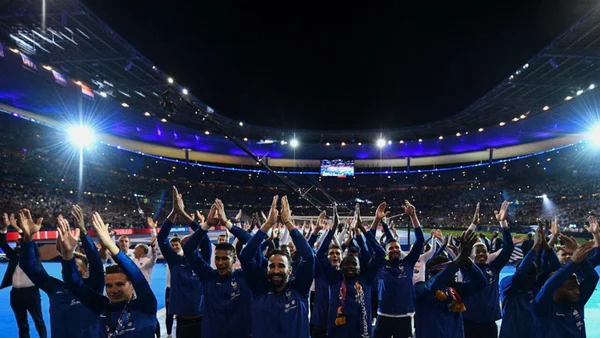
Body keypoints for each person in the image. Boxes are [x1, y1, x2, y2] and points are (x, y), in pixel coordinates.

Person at [59, 211, 157, 337]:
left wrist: (110, 244)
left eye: (120, 284)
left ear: (132, 285)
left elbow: (137, 276)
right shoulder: (101, 307)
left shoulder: (145, 305)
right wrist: (67, 255)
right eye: (109, 286)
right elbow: (75, 285)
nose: (114, 290)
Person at [18, 208, 102, 337]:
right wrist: (28, 238)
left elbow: (96, 262)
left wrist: (83, 232)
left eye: (74, 265)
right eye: (66, 266)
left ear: (86, 270)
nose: (68, 268)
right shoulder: (55, 287)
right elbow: (28, 266)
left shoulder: (93, 287)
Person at [239, 195, 315, 338]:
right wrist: (267, 224)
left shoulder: (300, 289)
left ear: (290, 269)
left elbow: (309, 257)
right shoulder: (259, 289)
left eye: (281, 266)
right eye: (271, 266)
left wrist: (288, 223)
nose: (275, 270)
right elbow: (245, 256)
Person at [183, 198, 253, 337]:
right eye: (217, 258)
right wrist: (207, 224)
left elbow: (253, 243)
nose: (220, 262)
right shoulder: (208, 276)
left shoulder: (245, 276)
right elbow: (189, 249)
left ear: (234, 260)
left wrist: (227, 224)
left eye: (225, 258)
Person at [318, 204, 386, 338]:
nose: (349, 266)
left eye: (353, 263)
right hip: (336, 334)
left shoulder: (365, 279)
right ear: (341, 266)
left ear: (359, 267)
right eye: (346, 263)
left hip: (362, 334)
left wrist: (362, 229)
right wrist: (332, 229)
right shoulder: (335, 278)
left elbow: (380, 254)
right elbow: (320, 254)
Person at [414, 230, 487, 338]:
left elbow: (481, 283)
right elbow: (433, 285)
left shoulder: (455, 289)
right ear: (434, 272)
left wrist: (466, 260)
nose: (454, 273)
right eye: (449, 270)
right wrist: (457, 261)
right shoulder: (419, 289)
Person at [157, 186, 208, 337]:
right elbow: (162, 238)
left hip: (204, 320)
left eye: (192, 243)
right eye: (186, 244)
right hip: (182, 324)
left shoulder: (202, 262)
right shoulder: (175, 261)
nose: (189, 246)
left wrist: (185, 214)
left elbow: (203, 238)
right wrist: (174, 212)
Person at [462, 201, 514, 338]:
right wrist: (473, 225)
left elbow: (509, 248)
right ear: (471, 255)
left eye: (484, 251)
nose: (481, 254)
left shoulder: (493, 268)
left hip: (489, 322)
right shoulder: (466, 267)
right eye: (477, 252)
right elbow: (463, 246)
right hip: (469, 321)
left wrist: (503, 224)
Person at [374, 201, 424, 338]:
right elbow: (370, 242)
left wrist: (413, 217)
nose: (395, 249)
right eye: (391, 248)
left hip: (405, 316)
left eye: (397, 247)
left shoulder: (408, 262)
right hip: (383, 314)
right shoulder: (381, 264)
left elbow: (420, 241)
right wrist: (377, 220)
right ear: (385, 251)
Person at [532, 240, 599, 338]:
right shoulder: (542, 308)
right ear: (556, 289)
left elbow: (592, 278)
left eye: (577, 287)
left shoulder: (576, 303)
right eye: (572, 288)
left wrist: (577, 254)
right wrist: (573, 262)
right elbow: (548, 286)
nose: (578, 291)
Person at [1, 212, 48, 338]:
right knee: (22, 324)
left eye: (20, 243)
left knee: (39, 322)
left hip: (32, 293)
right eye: (16, 244)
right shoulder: (14, 257)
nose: (17, 245)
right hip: (16, 294)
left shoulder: (34, 256)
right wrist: (5, 228)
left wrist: (17, 228)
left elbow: (30, 242)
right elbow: (2, 243)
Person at [498, 226, 545, 338]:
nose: (531, 278)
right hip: (511, 334)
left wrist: (546, 245)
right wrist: (536, 246)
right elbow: (521, 272)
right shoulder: (507, 284)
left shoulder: (533, 287)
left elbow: (545, 270)